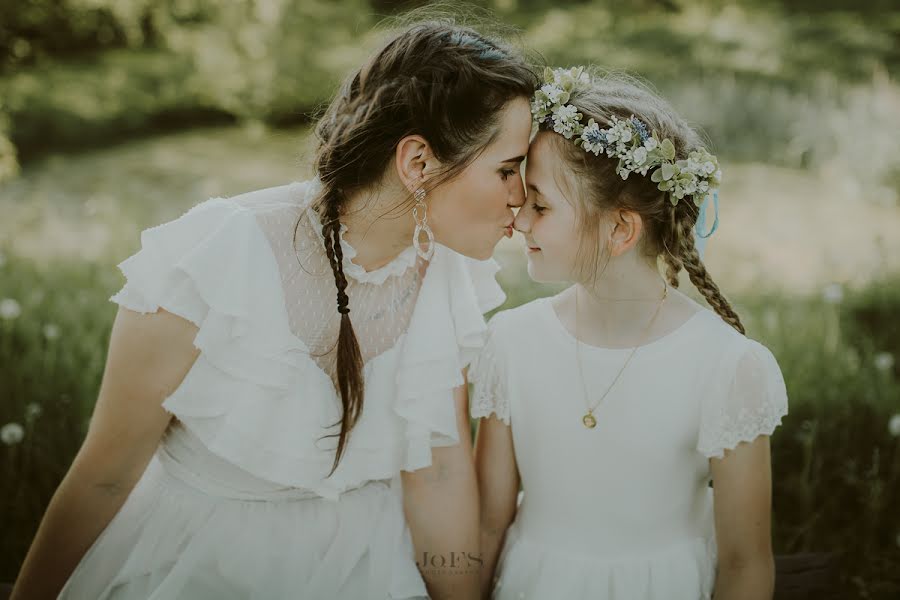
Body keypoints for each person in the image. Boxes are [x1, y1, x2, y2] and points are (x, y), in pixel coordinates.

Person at [10, 18, 537, 600]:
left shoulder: (447, 273)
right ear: (417, 163)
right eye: (508, 170)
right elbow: (105, 478)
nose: (523, 196)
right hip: (202, 563)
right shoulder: (213, 261)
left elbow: (437, 473)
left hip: (367, 567)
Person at [470, 67, 789, 600]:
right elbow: (486, 526)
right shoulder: (510, 342)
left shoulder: (727, 365)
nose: (519, 221)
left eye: (541, 206)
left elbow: (745, 564)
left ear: (620, 229)